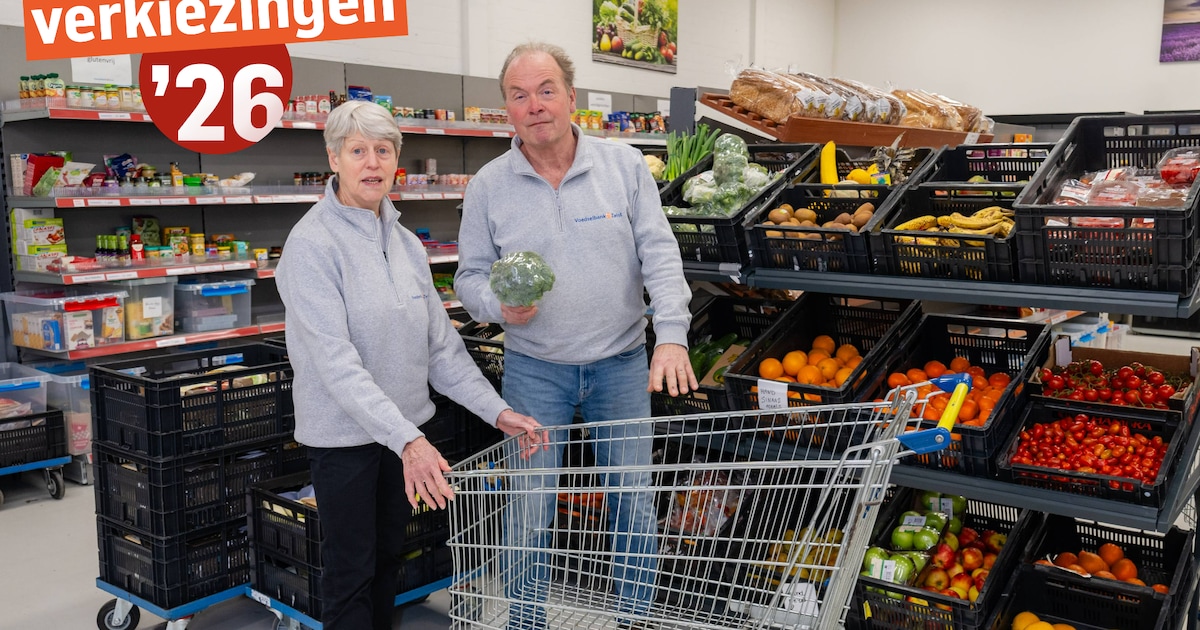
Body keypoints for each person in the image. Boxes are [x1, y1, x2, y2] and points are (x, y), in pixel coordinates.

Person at [454, 42, 696, 629]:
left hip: (620, 363)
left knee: (632, 504)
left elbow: (660, 255)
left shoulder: (624, 166)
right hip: (535, 370)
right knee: (531, 509)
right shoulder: (488, 185)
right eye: (519, 95)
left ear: (570, 97)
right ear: (507, 109)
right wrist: (496, 307)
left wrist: (672, 335)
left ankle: (634, 618)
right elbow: (468, 275)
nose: (534, 105)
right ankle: (527, 622)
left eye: (545, 90)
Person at [276, 100, 543, 630]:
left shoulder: (404, 244)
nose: (371, 163)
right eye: (357, 151)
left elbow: (442, 350)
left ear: (397, 159)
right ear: (334, 158)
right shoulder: (310, 247)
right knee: (351, 572)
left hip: (404, 435)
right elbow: (337, 366)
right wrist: (410, 443)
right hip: (346, 440)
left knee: (387, 565)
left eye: (382, 150)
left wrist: (498, 413)